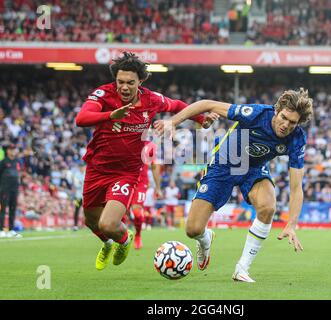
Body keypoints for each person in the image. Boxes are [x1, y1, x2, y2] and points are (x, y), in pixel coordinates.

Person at [75, 51, 216, 271]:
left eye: (130, 83)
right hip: (97, 168)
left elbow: (177, 105)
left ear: (140, 81)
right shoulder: (103, 95)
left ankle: (124, 239)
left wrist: (200, 118)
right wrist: (111, 115)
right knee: (91, 221)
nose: (124, 87)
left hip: (127, 172)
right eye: (120, 82)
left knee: (108, 223)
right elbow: (81, 118)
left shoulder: (152, 99)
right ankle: (108, 242)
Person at [155, 88, 313, 282]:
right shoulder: (256, 114)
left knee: (268, 207)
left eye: (292, 122)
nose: (285, 125)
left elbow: (296, 187)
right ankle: (205, 239)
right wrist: (173, 121)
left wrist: (291, 224)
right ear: (276, 110)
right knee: (193, 230)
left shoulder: (297, 138)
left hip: (254, 170)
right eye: (283, 117)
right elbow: (207, 104)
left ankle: (242, 268)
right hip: (224, 165)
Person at [0, 144, 22, 238]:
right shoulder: (3, 162)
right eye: (11, 149)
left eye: (14, 149)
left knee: (13, 209)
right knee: (3, 209)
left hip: (14, 189)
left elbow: (18, 173)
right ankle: (1, 230)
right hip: (5, 189)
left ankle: (11, 230)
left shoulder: (17, 161)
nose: (13, 151)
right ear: (8, 151)